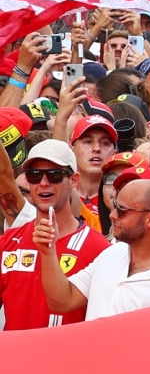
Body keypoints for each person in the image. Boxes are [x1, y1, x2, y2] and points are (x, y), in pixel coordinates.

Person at [38, 177, 150, 320]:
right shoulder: (113, 253)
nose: (112, 215)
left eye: (122, 210)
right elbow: (63, 301)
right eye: (115, 206)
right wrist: (48, 252)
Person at [0, 139, 109, 329]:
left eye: (55, 175)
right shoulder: (8, 242)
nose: (43, 183)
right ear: (27, 180)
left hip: (68, 357)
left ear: (74, 180)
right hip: (13, 357)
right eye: (34, 175)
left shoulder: (100, 249)